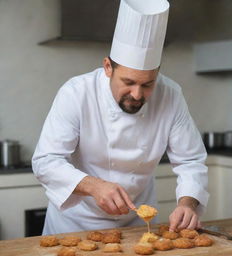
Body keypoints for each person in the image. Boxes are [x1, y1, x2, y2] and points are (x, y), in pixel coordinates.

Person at [32, 0, 209, 235]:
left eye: (148, 84)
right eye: (128, 82)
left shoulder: (171, 95)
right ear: (108, 67)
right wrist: (93, 185)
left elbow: (191, 161)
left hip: (138, 224)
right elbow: (46, 161)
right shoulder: (76, 93)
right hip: (74, 224)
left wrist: (187, 204)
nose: (137, 94)